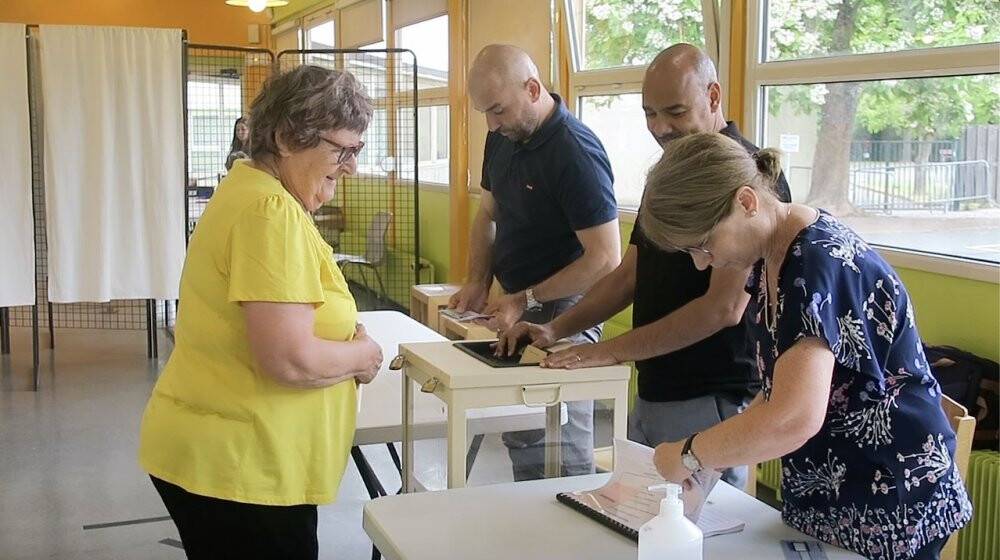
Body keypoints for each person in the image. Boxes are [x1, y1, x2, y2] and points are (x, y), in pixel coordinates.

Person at [641, 132, 973, 560]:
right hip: (833, 498)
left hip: (892, 498)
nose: (702, 262)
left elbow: (794, 416)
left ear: (746, 202)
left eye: (703, 244)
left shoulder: (817, 264)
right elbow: (779, 390)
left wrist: (690, 453)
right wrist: (709, 465)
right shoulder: (769, 259)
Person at [500, 44, 790, 489]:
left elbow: (722, 308)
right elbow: (630, 275)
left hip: (712, 396)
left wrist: (609, 349)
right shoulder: (672, 173)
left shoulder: (743, 174)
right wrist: (556, 331)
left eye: (674, 111)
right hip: (654, 390)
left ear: (713, 97)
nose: (661, 128)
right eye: (650, 114)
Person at [139, 65, 381, 559]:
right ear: (289, 138)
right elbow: (289, 359)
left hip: (232, 461)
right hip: (241, 470)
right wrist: (362, 356)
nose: (351, 167)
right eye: (343, 150)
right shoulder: (268, 213)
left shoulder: (252, 192)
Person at [452, 44, 622, 481]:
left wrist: (524, 298)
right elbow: (487, 215)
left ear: (532, 89)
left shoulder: (574, 152)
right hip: (517, 298)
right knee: (522, 429)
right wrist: (477, 280)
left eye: (498, 111)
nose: (491, 124)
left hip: (566, 305)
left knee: (558, 436)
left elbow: (605, 258)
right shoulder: (502, 137)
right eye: (485, 113)